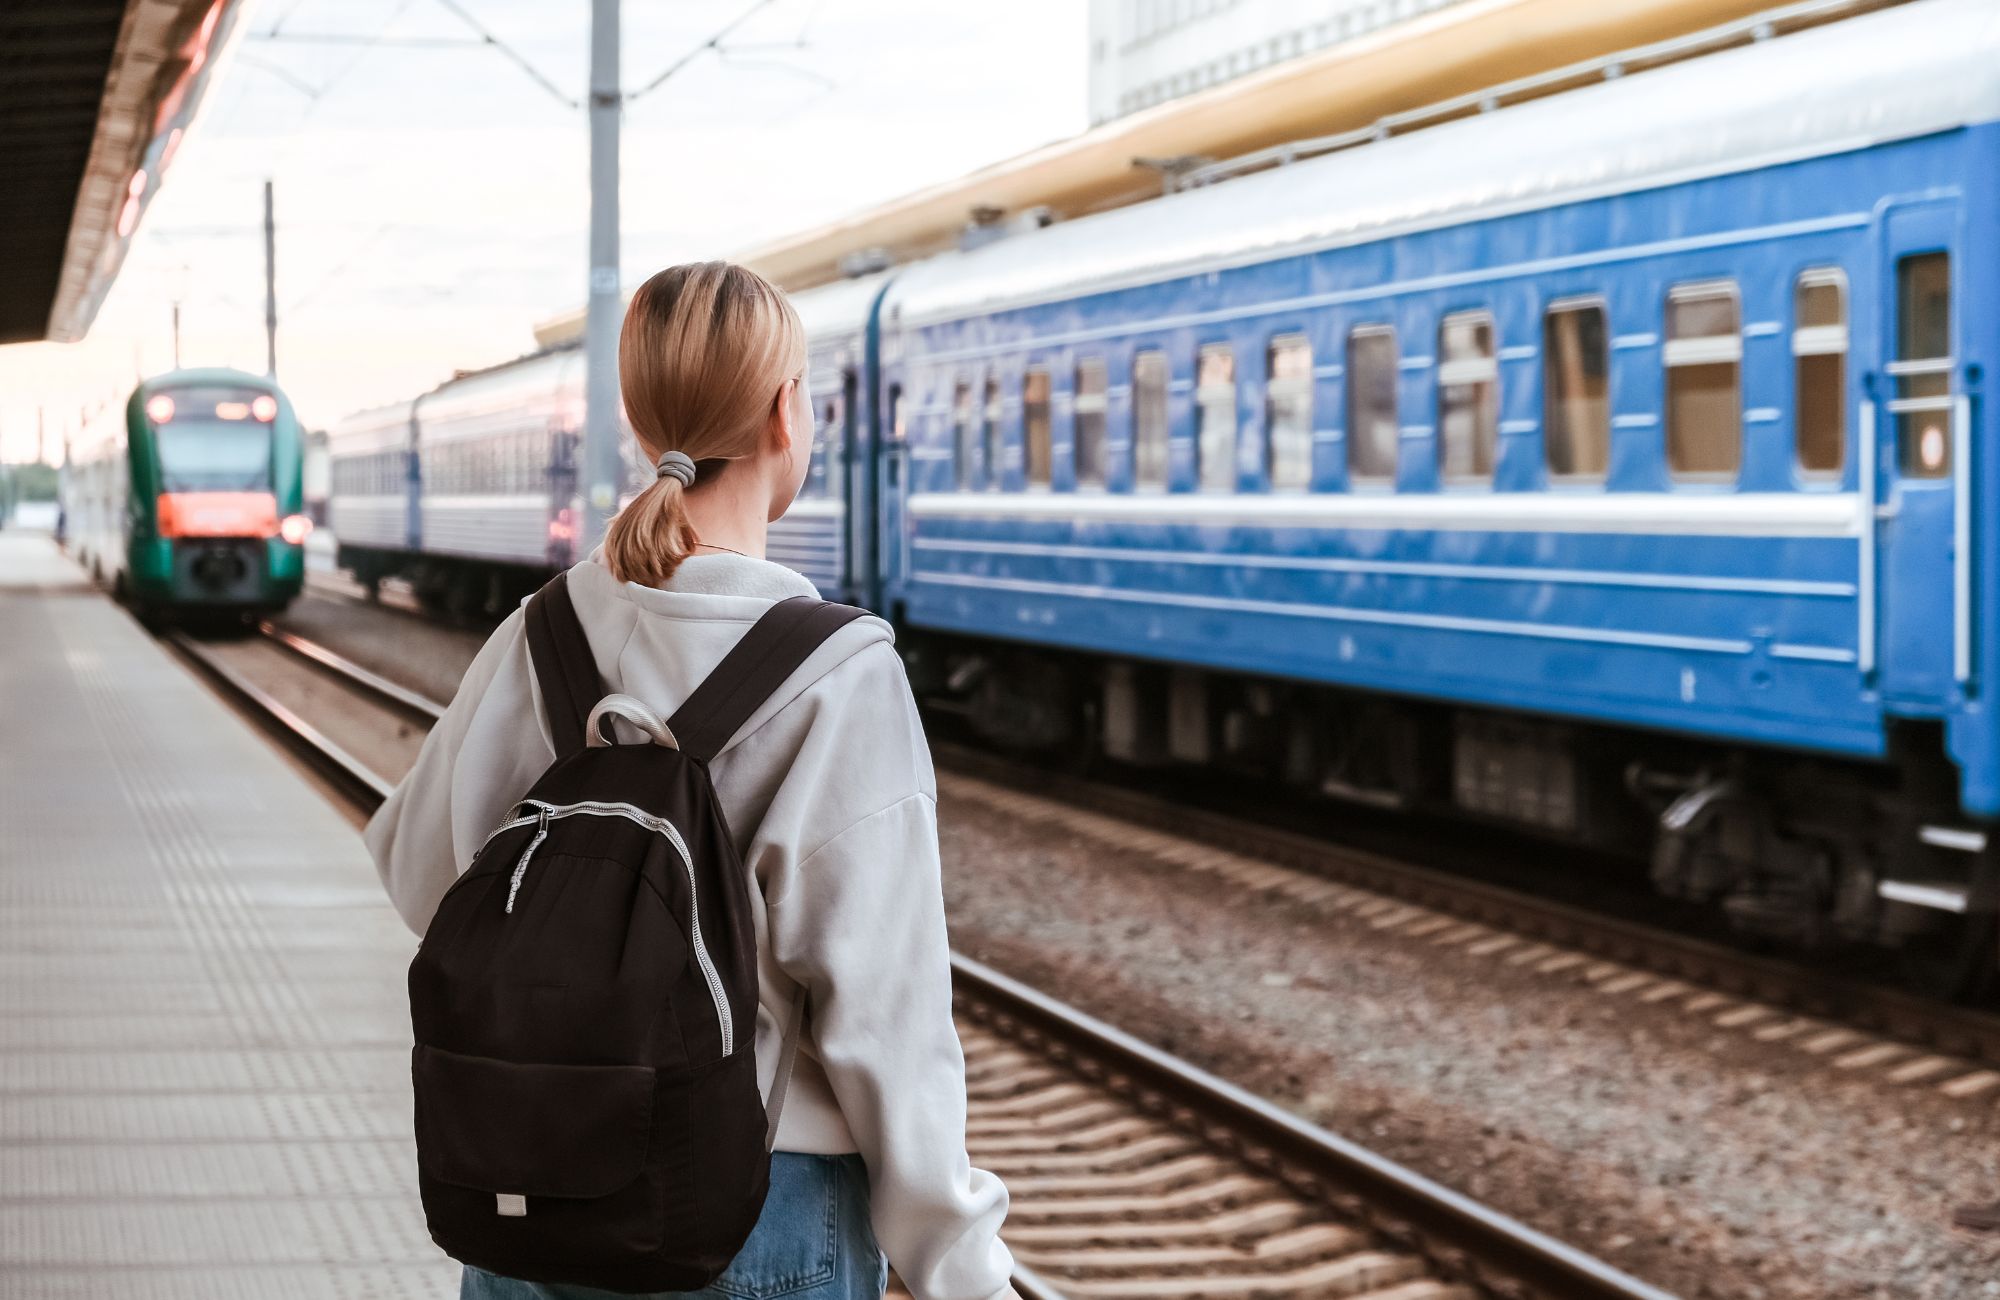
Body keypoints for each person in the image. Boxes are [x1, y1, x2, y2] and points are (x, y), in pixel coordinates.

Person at [367, 261, 1017, 1300]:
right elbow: (886, 1018)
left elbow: (416, 874)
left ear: (638, 423)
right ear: (785, 412)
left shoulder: (542, 634)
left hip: (531, 1200)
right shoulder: (840, 674)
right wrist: (958, 1264)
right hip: (756, 1214)